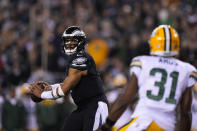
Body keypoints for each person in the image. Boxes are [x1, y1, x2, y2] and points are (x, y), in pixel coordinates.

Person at [97, 25, 197, 131]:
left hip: (144, 123)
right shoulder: (186, 69)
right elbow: (185, 112)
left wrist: (106, 126)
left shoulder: (143, 62)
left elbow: (125, 100)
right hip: (167, 127)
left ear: (154, 43)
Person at [30, 26, 109, 131]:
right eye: (67, 40)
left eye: (72, 40)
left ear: (80, 42)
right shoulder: (73, 59)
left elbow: (64, 89)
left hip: (95, 106)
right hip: (82, 108)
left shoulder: (81, 58)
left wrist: (42, 94)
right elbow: (68, 84)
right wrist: (51, 87)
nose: (68, 43)